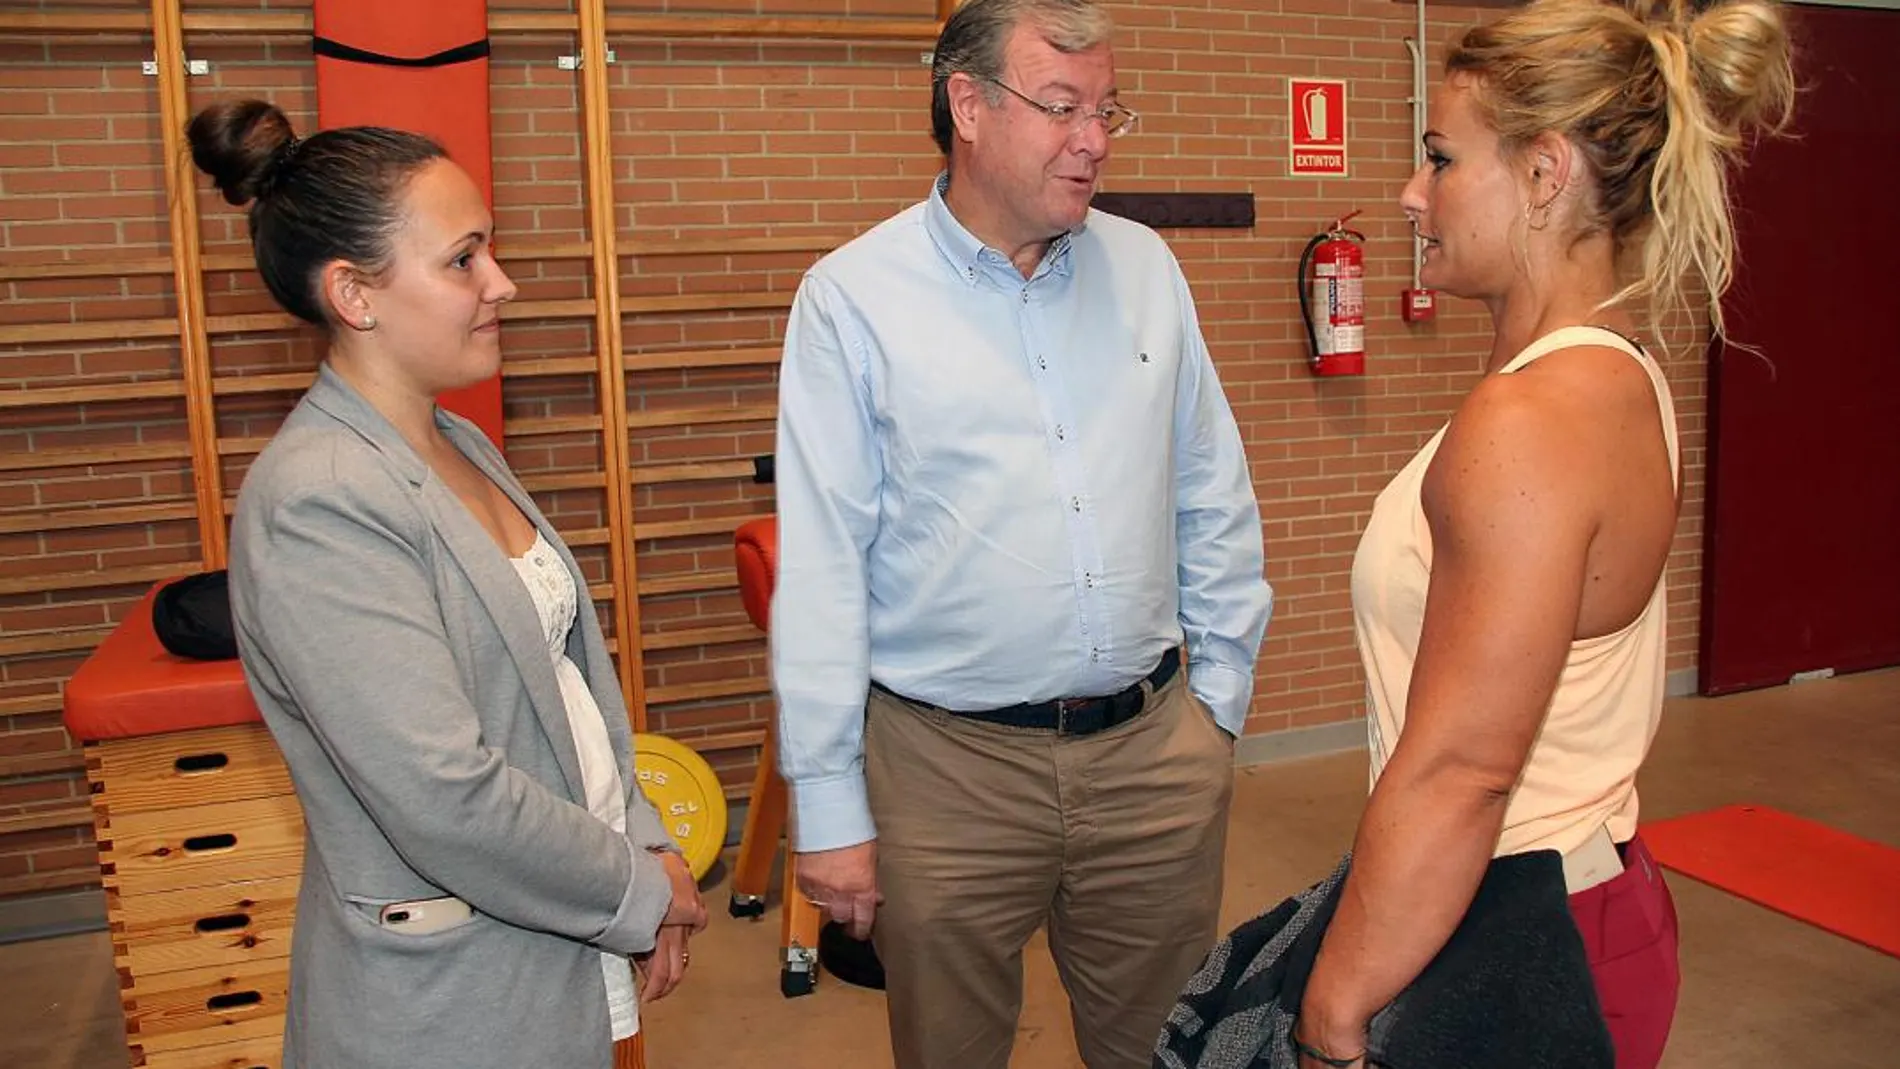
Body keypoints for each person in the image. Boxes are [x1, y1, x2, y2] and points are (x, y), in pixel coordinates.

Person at [770, 1, 1274, 1066]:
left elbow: (1210, 489)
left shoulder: (1146, 271)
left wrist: (1216, 711)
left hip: (1152, 759)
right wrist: (827, 803)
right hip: (945, 773)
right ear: (968, 106)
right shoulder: (851, 301)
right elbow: (821, 571)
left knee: (1163, 1049)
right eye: (1060, 107)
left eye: (1106, 110)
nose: (1092, 139)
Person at [1295, 2, 1794, 1067]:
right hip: (1581, 895)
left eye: (1439, 159)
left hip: (1517, 926)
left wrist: (1331, 1015)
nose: (1411, 193)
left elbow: (1465, 769)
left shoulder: (1525, 419)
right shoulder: (1619, 374)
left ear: (1543, 172)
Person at [196, 99, 707, 1069]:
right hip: (455, 993)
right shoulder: (321, 496)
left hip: (572, 923)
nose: (500, 284)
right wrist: (638, 889)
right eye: (463, 258)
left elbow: (568, 689)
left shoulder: (457, 443)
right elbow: (442, 793)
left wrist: (645, 842)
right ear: (355, 293)